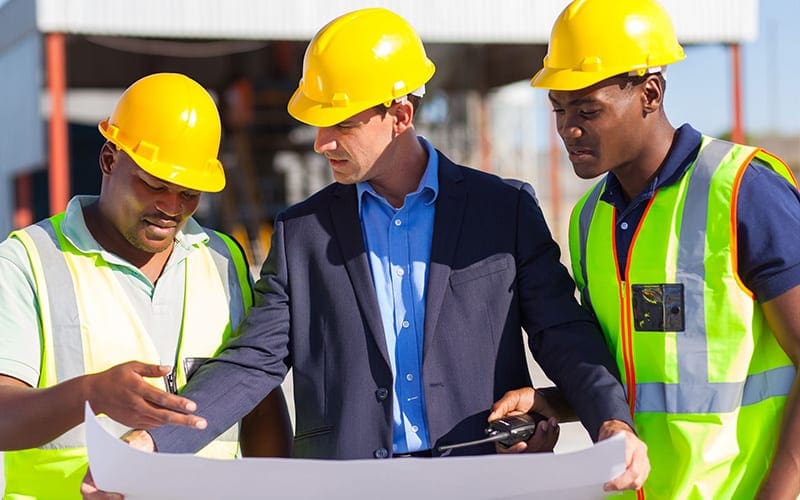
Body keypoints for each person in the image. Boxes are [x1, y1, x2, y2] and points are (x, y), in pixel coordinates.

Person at [104, 8, 648, 493]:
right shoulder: (302, 233)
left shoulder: (502, 211)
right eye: (319, 125)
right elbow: (253, 361)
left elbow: (562, 332)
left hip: (483, 477)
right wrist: (153, 443)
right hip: (347, 484)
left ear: (400, 115)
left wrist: (611, 421)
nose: (322, 144)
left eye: (340, 124)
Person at [491, 0, 800, 498]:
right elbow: (643, 378)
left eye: (588, 110)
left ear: (650, 93)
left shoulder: (743, 190)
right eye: (559, 109)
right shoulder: (589, 218)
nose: (569, 128)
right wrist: (556, 403)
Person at [0, 72, 292, 499]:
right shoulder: (30, 260)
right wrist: (91, 394)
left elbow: (259, 404)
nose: (171, 209)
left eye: (189, 193)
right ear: (108, 160)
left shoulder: (222, 258)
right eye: (154, 185)